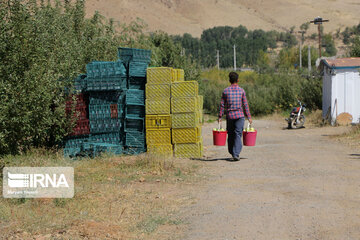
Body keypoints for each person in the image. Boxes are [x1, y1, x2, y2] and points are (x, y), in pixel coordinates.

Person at [218, 72, 252, 161]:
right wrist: (249, 116)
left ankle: (232, 151)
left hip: (230, 116)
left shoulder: (225, 91)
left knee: (231, 134)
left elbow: (222, 105)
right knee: (238, 134)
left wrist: (220, 116)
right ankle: (235, 153)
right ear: (238, 80)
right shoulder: (241, 91)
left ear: (229, 80)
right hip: (240, 116)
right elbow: (245, 105)